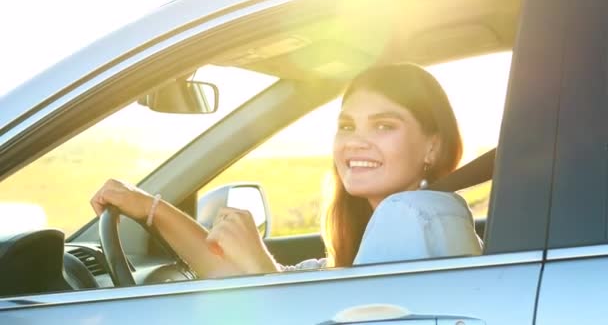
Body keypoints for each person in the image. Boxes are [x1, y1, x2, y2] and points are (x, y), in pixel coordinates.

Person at [90, 63, 482, 278]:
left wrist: (264, 270)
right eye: (347, 126)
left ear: (433, 144)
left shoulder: (406, 222)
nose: (355, 143)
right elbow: (231, 275)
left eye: (384, 126)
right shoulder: (412, 230)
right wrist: (150, 208)